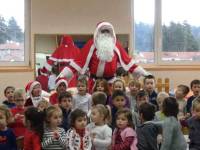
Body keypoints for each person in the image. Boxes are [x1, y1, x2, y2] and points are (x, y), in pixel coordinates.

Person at [57, 22, 150, 91]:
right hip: (94, 84)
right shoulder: (91, 45)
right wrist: (63, 75)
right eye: (103, 31)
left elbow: (128, 62)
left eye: (107, 31)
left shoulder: (115, 45)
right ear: (97, 32)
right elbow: (78, 63)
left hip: (111, 84)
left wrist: (144, 73)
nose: (105, 33)